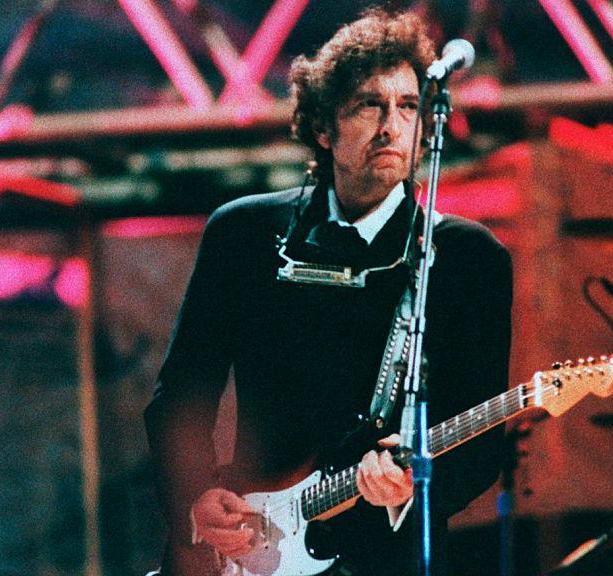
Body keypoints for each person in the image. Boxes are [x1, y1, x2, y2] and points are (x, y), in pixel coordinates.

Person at [145, 9, 512, 575]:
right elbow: (182, 394)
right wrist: (195, 496)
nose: (392, 126)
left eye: (409, 107)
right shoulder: (244, 233)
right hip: (251, 543)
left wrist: (409, 494)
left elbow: (483, 442)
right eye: (370, 105)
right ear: (322, 128)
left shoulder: (466, 257)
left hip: (380, 558)